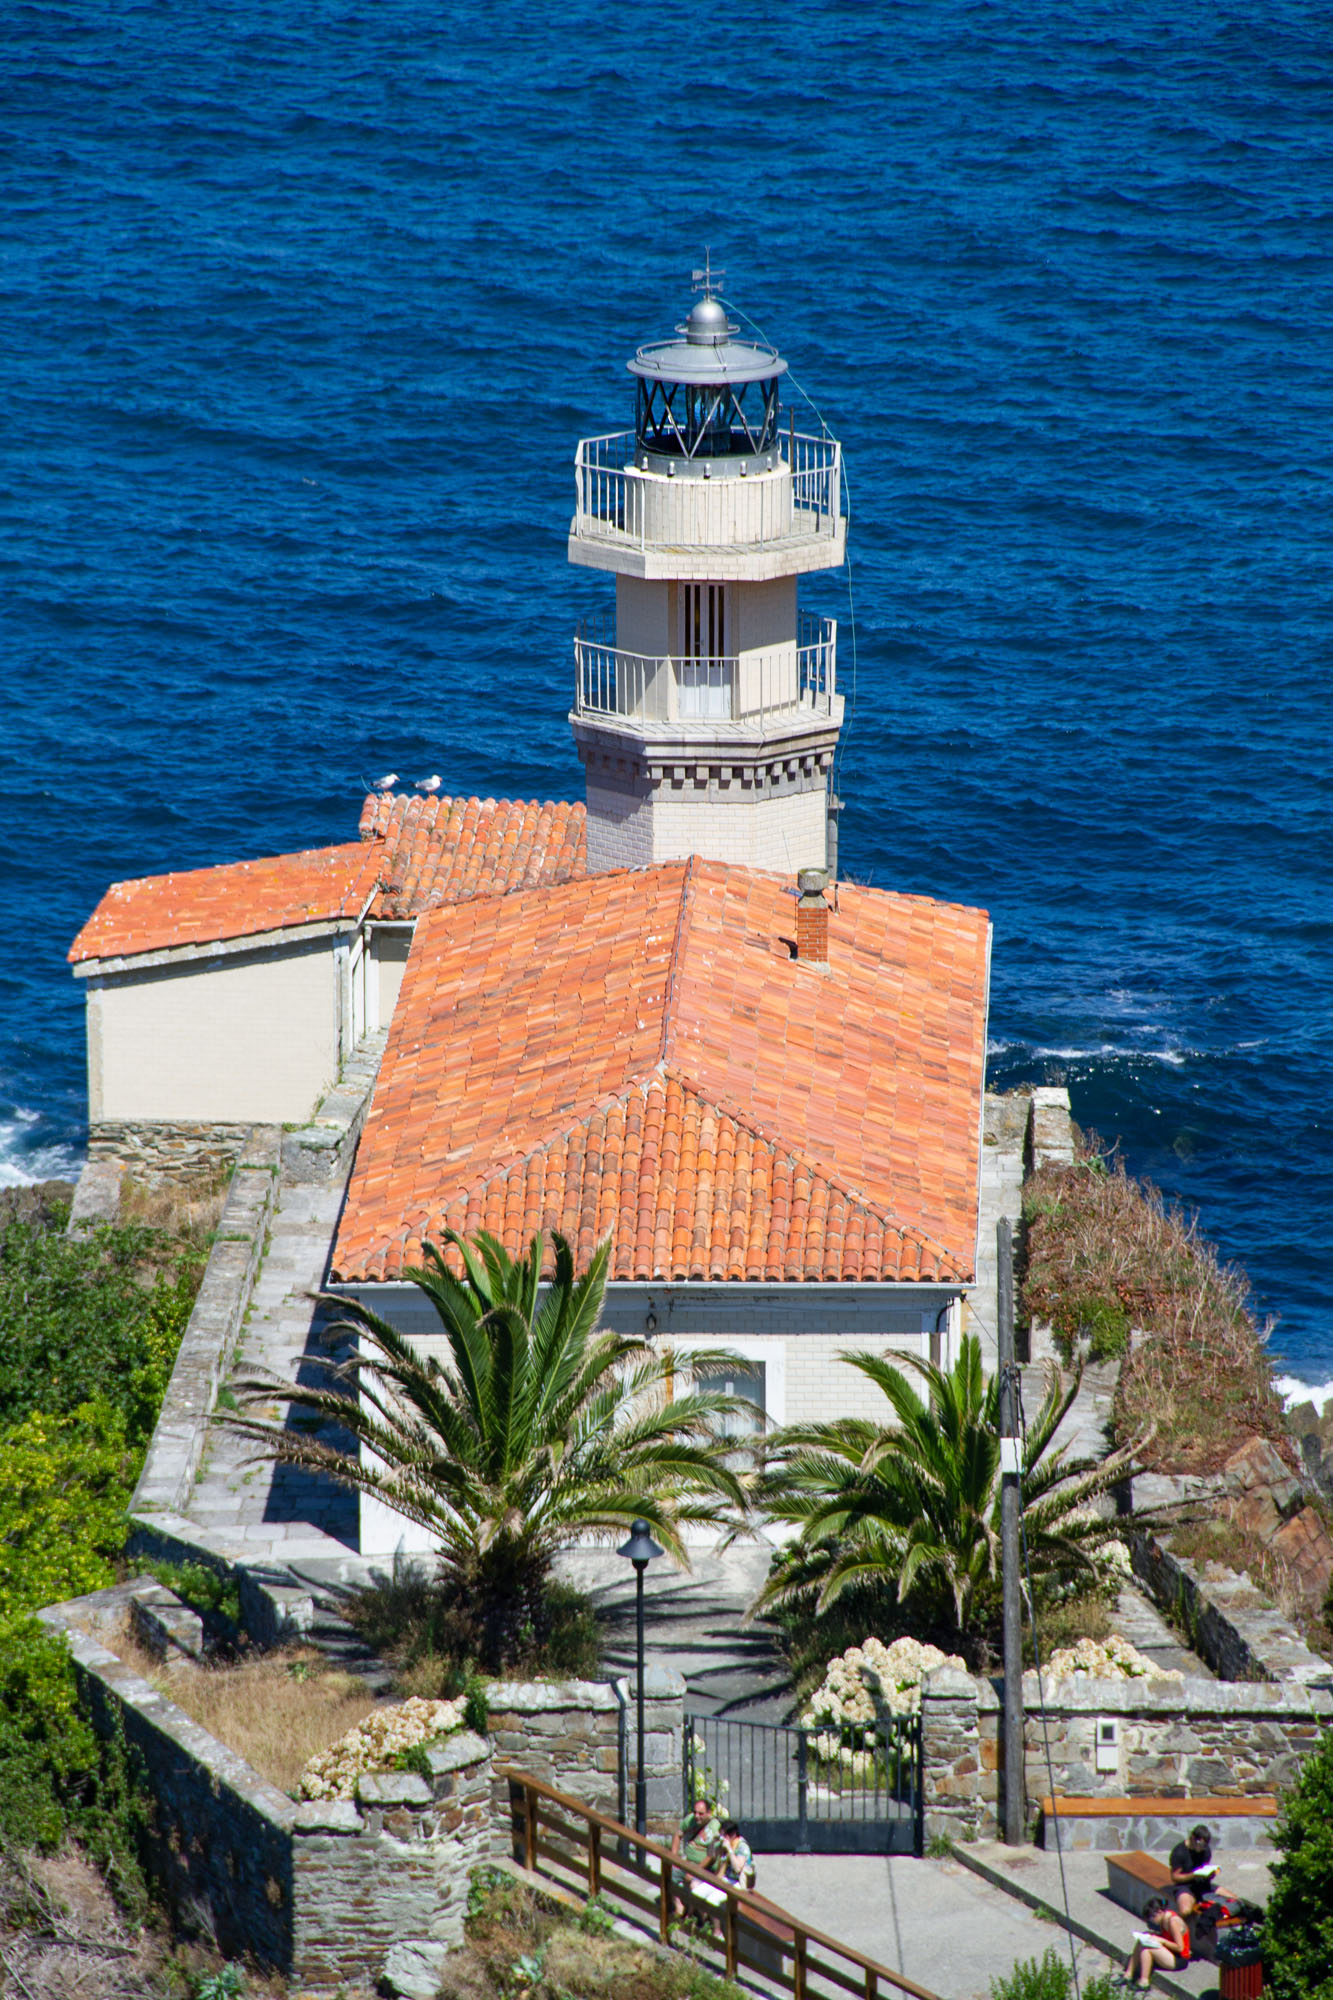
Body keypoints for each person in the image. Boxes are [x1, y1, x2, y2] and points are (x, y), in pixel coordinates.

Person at [1123, 1896, 1190, 1990]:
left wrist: (1162, 1940)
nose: (1152, 1921)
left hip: (1179, 1958)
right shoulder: (1163, 1919)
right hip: (1169, 1952)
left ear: (1159, 1912)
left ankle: (1144, 1982)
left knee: (1146, 1948)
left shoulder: (1173, 1922)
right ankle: (1128, 1975)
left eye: (1152, 1917)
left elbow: (1180, 1948)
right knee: (1142, 1941)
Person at [671, 1794, 721, 1916]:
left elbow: (711, 1856)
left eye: (701, 1813)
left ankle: (698, 1917)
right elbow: (678, 1835)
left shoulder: (715, 1828)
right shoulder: (691, 1819)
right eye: (695, 1812)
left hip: (704, 1868)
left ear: (709, 1813)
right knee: (669, 1873)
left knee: (694, 1885)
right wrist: (673, 1858)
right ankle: (679, 1906)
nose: (697, 1816)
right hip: (688, 1862)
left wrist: (694, 1871)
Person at [1168, 1823, 1215, 1919]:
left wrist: (1211, 1873)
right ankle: (1175, 1925)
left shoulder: (1205, 1850)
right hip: (1185, 1885)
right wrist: (1193, 1875)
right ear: (1193, 1838)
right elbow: (1175, 1877)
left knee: (1232, 1898)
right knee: (1185, 1911)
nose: (1202, 1848)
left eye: (1204, 1846)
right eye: (1200, 1845)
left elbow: (1205, 1867)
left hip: (1202, 1883)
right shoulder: (1180, 1852)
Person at [711, 1820, 756, 1891]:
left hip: (738, 1882)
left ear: (733, 1834)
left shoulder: (742, 1846)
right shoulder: (723, 1844)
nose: (723, 1838)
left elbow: (737, 1868)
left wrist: (729, 1849)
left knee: (713, 1898)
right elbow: (712, 1857)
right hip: (725, 1878)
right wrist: (713, 1842)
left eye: (724, 1836)